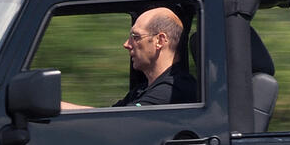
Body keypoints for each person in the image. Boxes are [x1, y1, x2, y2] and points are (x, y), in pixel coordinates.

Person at [60, 7, 197, 111]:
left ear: (160, 40)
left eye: (136, 37)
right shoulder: (143, 89)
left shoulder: (173, 90)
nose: (126, 44)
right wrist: (57, 107)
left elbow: (118, 123)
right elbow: (105, 115)